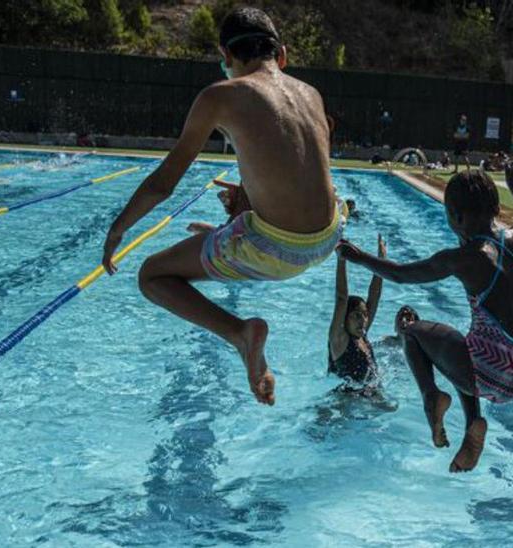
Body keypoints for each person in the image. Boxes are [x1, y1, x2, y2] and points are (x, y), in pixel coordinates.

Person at [101, 7, 343, 406]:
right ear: (281, 55)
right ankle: (229, 240)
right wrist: (240, 209)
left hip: (277, 248)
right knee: (237, 228)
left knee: (152, 276)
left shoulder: (221, 95)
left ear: (226, 58)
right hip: (328, 236)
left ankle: (240, 335)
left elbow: (164, 183)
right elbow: (299, 173)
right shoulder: (310, 94)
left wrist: (119, 227)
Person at [337, 161, 513, 473]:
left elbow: (402, 275)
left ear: (455, 218)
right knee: (464, 343)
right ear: (497, 208)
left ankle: (431, 396)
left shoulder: (464, 258)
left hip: (484, 371)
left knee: (410, 329)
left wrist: (360, 257)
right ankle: (474, 422)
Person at [329, 235, 387, 389]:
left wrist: (381, 261)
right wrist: (341, 260)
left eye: (365, 315)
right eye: (356, 315)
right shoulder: (339, 339)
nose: (363, 320)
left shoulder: (361, 333)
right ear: (344, 318)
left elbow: (374, 296)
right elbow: (341, 298)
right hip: (348, 403)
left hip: (367, 398)